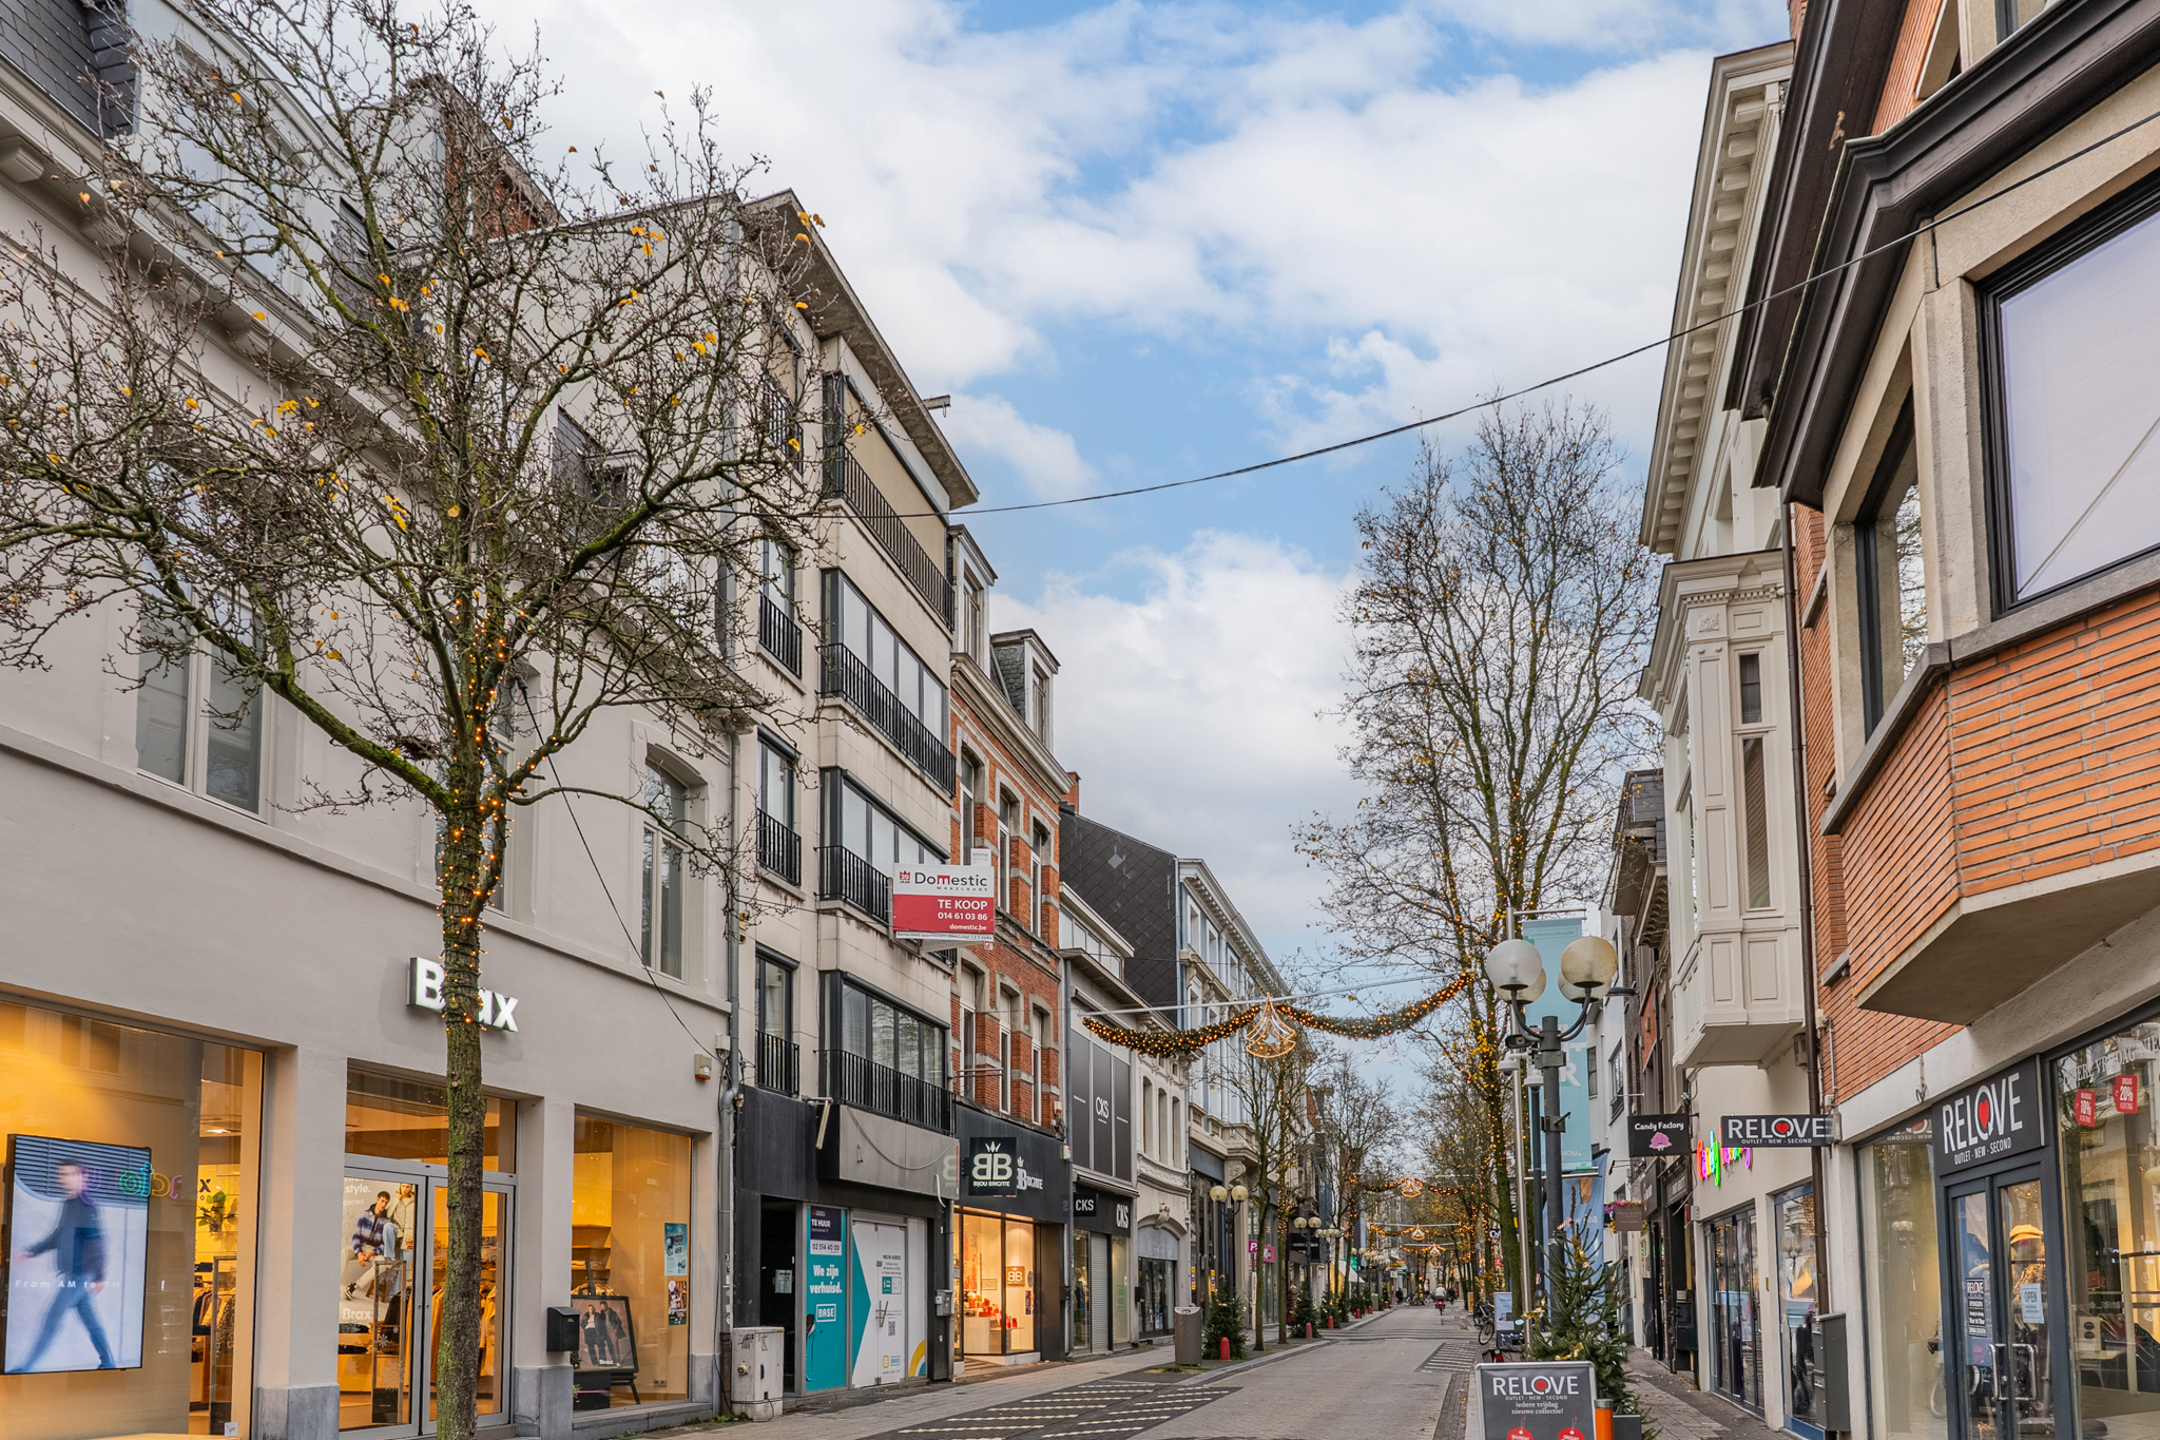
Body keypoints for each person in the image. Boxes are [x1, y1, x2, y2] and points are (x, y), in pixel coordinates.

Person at [13, 1160, 116, 1371]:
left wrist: (99, 1275)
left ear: (82, 1177)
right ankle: (108, 1362)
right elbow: (58, 1236)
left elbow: (96, 1241)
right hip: (72, 1272)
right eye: (62, 1175)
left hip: (80, 1273)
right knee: (91, 1320)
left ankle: (25, 1367)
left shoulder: (87, 1205)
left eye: (70, 1174)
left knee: (52, 1318)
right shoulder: (69, 1204)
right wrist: (32, 1251)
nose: (65, 1179)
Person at [345, 1192, 391, 1300]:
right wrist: (359, 1253)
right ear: (377, 1199)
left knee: (382, 1265)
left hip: (373, 1251)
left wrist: (372, 1253)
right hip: (361, 1247)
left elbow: (385, 1244)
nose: (384, 1204)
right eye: (382, 1201)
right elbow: (356, 1236)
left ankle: (353, 1286)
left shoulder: (387, 1222)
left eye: (386, 1202)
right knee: (343, 1253)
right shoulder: (365, 1215)